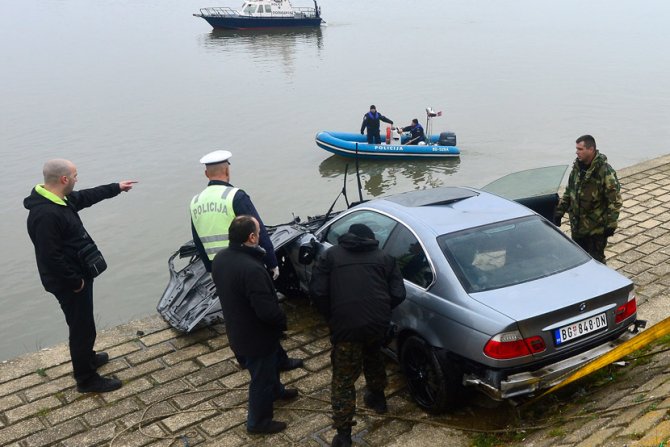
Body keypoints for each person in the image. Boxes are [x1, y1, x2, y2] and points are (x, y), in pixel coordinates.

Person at [24, 159, 136, 393]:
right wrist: (76, 282)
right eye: (75, 175)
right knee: (81, 328)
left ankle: (88, 358)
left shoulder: (60, 199)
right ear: (64, 179)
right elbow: (50, 257)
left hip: (78, 275)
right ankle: (86, 379)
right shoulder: (46, 214)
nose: (77, 179)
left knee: (84, 324)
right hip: (69, 282)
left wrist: (116, 187)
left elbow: (86, 196)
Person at [189, 149, 303, 371]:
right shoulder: (235, 196)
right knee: (263, 313)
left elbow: (198, 240)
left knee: (234, 313)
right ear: (227, 170)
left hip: (220, 269)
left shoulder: (195, 201)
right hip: (246, 265)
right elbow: (258, 230)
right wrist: (272, 263)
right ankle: (275, 360)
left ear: (206, 174)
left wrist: (211, 269)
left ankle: (246, 356)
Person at [309, 223, 406, 447]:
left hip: (346, 327)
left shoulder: (330, 256)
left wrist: (332, 316)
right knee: (373, 356)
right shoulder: (385, 258)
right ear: (371, 239)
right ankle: (378, 399)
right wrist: (381, 310)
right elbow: (399, 293)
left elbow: (318, 291)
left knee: (343, 380)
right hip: (377, 324)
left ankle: (343, 435)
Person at [211, 215, 298, 434]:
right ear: (251, 237)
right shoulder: (252, 269)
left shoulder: (221, 258)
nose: (261, 235)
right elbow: (267, 311)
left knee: (271, 366)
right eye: (259, 232)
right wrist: (282, 321)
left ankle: (277, 391)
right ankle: (258, 422)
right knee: (261, 379)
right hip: (256, 336)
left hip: (237, 328)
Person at [554, 135, 622, 263]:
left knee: (596, 262)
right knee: (578, 261)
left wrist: (611, 225)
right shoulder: (577, 168)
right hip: (577, 227)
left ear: (591, 150)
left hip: (595, 230)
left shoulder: (605, 171)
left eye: (580, 149)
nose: (577, 152)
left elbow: (615, 201)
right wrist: (559, 212)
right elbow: (569, 192)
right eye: (576, 149)